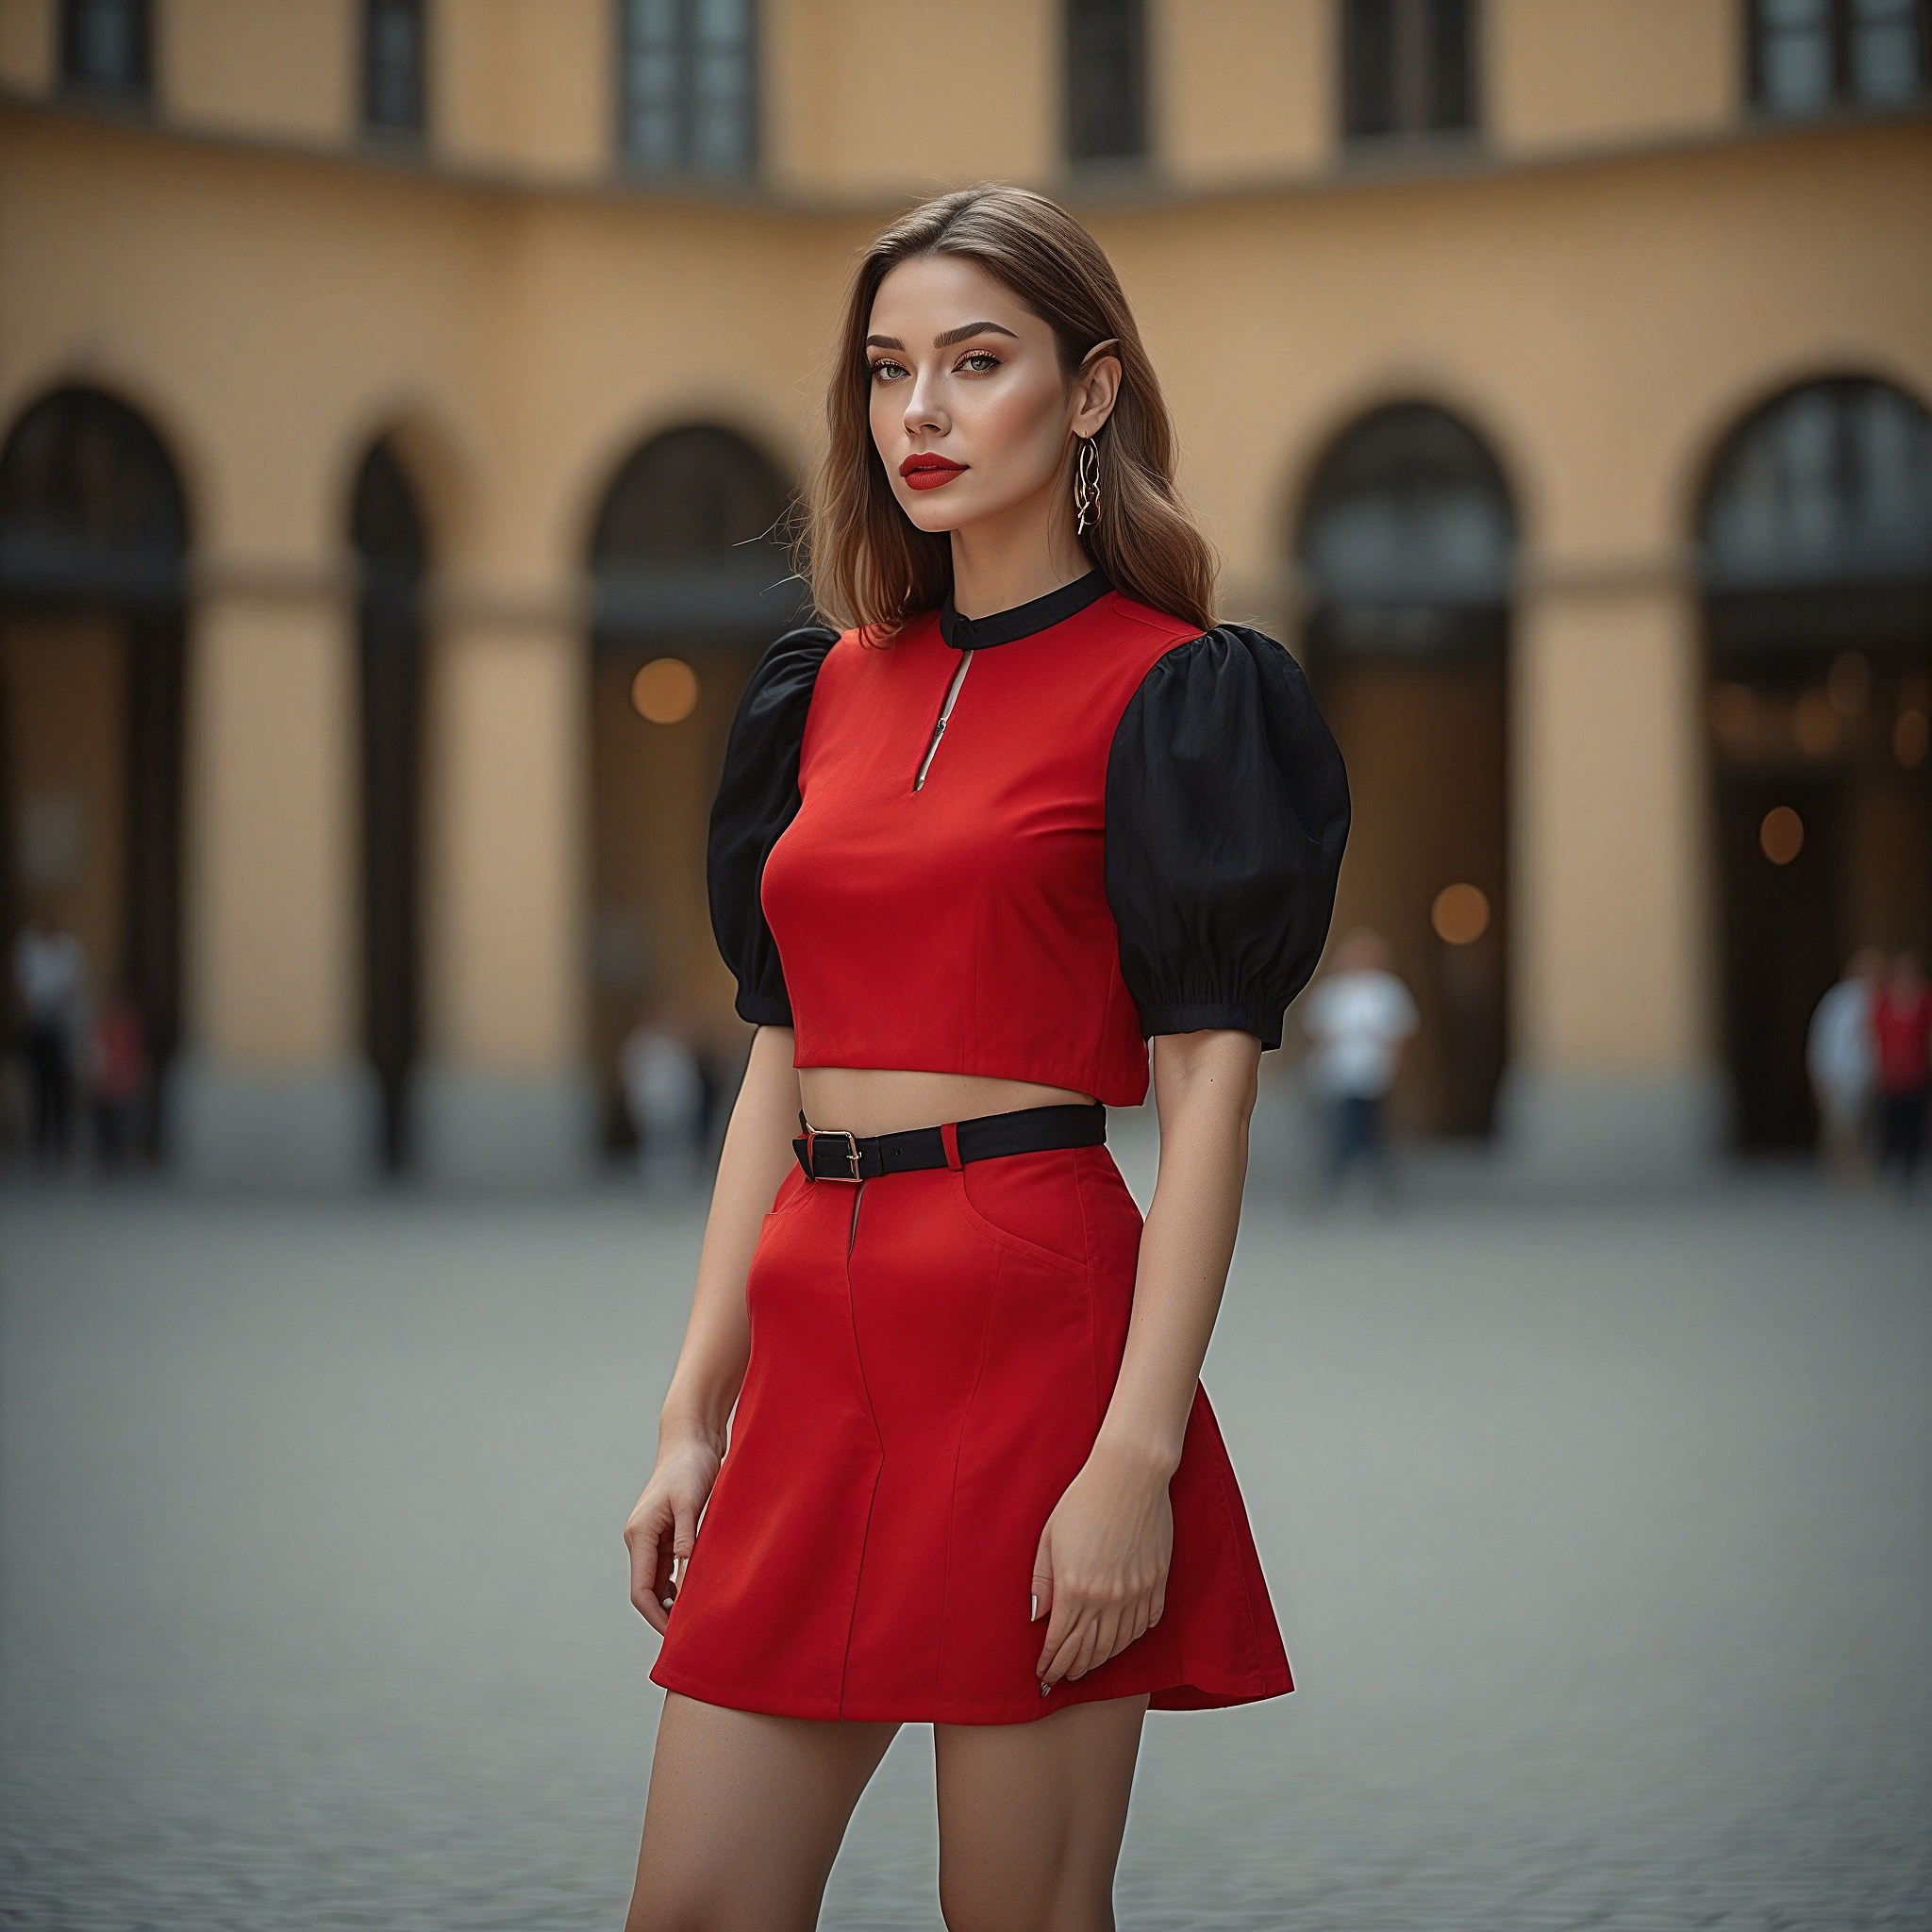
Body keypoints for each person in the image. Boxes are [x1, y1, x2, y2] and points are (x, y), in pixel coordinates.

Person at [620, 186, 1348, 1931]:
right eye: (886, 370)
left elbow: (1207, 1107)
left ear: (1088, 393)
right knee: (693, 1910)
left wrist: (1134, 1457)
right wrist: (685, 1411)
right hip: (812, 1325)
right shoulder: (817, 687)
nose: (919, 413)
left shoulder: (1181, 694)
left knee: (1013, 1917)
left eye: (974, 362)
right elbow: (769, 1071)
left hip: (1036, 1337)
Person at [1301, 928, 1418, 1199]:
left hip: (1373, 1073)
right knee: (1339, 1129)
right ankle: (1336, 1181)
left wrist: (1393, 1068)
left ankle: (1375, 1183)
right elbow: (1317, 1031)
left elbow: (1399, 1033)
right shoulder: (1333, 991)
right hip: (1338, 1074)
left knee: (1372, 1130)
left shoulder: (1387, 991)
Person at [13, 904, 89, 1170]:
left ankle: (62, 1146)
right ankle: (39, 1148)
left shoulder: (69, 949)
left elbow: (74, 987)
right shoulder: (28, 944)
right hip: (38, 1025)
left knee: (61, 1089)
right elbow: (21, 985)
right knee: (38, 1089)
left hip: (60, 1025)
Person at [1807, 948, 1882, 1184]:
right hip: (1841, 1076)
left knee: (1862, 1131)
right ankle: (1842, 1178)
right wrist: (1820, 1075)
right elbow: (1824, 1040)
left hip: (1865, 1077)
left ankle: (1858, 1176)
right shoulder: (1840, 1001)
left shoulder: (1877, 1000)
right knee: (1840, 1132)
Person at [620, 1010, 706, 1188]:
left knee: (676, 1143)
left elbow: (684, 1077)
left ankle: (676, 1180)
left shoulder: (673, 1045)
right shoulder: (641, 1045)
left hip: (674, 1103)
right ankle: (656, 1181)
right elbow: (631, 1074)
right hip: (651, 1103)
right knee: (655, 1143)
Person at [1873, 950, 1932, 1195]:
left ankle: (1911, 1171)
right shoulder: (1885, 1000)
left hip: (1917, 1073)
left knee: (1914, 1125)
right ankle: (1891, 1172)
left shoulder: (1925, 998)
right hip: (1891, 1074)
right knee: (1891, 1124)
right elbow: (1875, 1036)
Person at [89, 988, 150, 1170]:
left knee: (124, 1121)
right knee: (107, 1120)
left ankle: (121, 1155)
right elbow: (98, 1050)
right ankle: (108, 1156)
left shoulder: (130, 1025)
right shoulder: (106, 1024)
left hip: (124, 1078)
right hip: (109, 1079)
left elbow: (137, 1051)